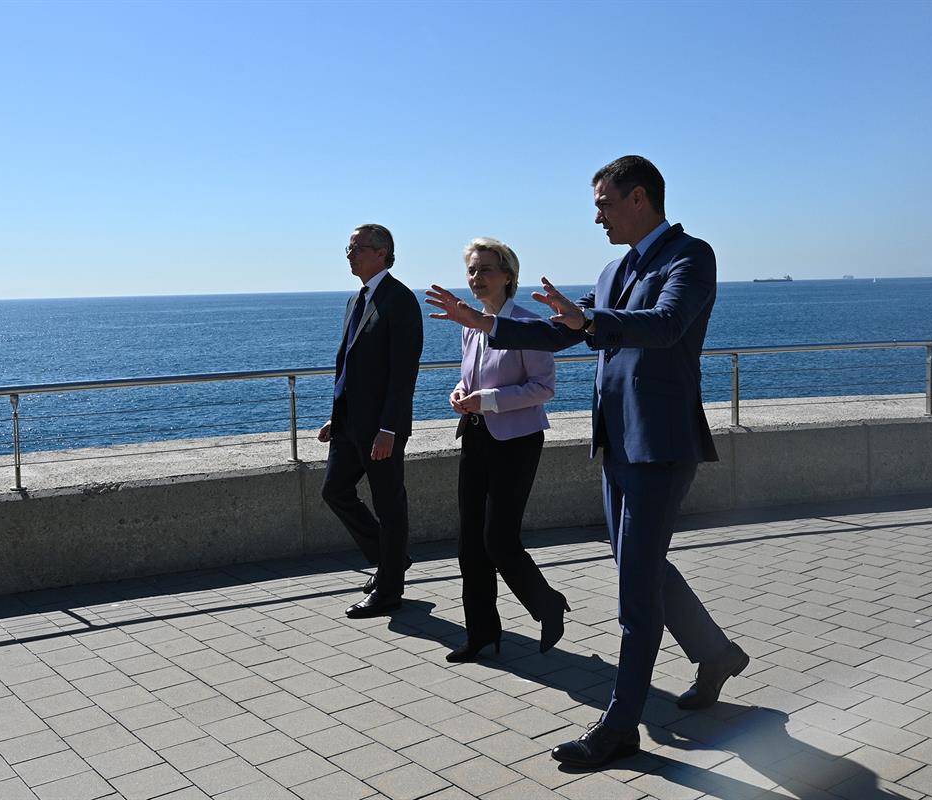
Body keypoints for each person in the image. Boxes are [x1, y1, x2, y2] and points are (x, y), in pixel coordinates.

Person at [426, 156, 747, 768]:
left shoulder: (690, 256)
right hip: (618, 441)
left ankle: (620, 725)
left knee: (635, 587)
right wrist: (486, 324)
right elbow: (559, 333)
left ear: (640, 198)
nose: (596, 214)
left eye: (604, 202)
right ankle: (715, 654)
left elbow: (667, 324)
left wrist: (592, 318)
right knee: (639, 562)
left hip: (661, 441)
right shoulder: (611, 268)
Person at [445, 237, 569, 663]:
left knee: (498, 538)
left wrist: (489, 400)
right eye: (472, 270)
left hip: (517, 442)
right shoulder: (471, 322)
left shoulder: (528, 325)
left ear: (508, 276)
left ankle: (547, 603)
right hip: (476, 435)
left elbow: (544, 388)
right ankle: (481, 632)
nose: (476, 278)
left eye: (485, 270)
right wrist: (462, 393)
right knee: (469, 543)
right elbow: (472, 378)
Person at [319, 224, 423, 619]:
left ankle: (390, 590)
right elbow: (348, 365)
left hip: (382, 428)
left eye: (357, 247)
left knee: (389, 504)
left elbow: (403, 373)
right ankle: (390, 559)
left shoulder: (400, 300)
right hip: (349, 425)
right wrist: (336, 417)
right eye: (348, 247)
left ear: (382, 253)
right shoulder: (355, 299)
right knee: (334, 491)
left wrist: (390, 429)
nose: (350, 254)